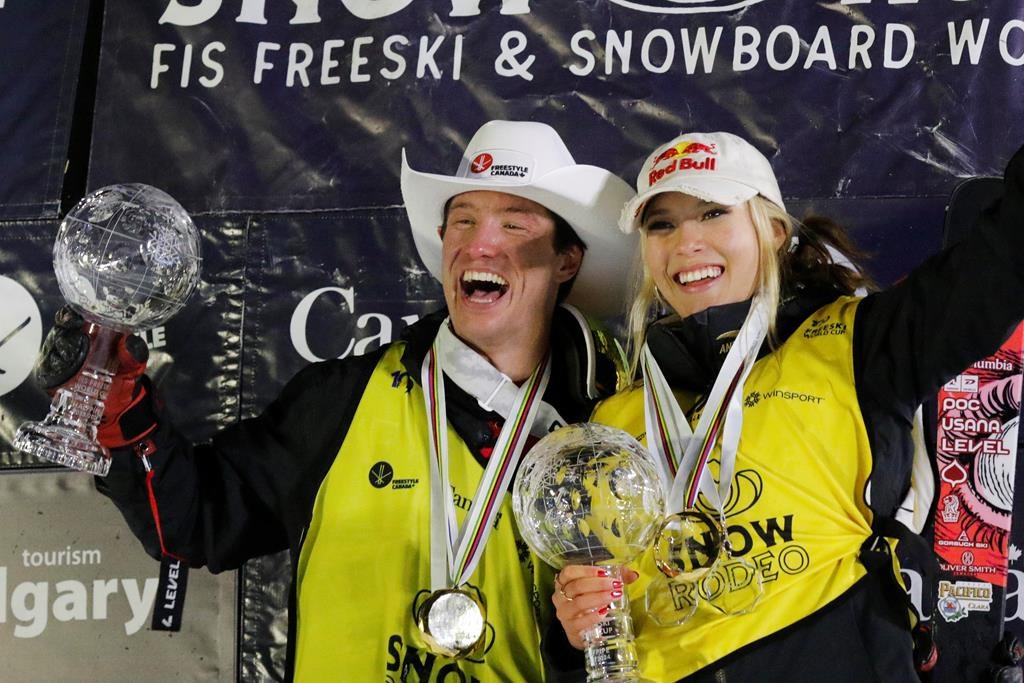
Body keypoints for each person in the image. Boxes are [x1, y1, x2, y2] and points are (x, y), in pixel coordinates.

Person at [37, 120, 636, 680]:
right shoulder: (342, 398)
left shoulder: (605, 426)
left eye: (514, 224)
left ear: (567, 260)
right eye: (462, 221)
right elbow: (196, 522)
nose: (480, 246)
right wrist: (119, 408)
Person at [548, 131, 1024, 681]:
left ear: (773, 231)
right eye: (662, 224)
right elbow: (594, 624)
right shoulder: (615, 419)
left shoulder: (860, 344)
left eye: (711, 212)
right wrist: (576, 627)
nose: (685, 242)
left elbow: (1003, 260)